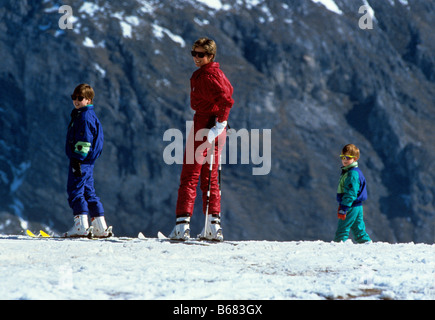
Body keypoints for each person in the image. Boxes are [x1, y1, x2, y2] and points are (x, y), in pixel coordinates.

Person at [169, 38, 234, 241]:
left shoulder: (207, 75)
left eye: (201, 54)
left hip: (205, 124)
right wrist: (222, 124)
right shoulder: (218, 73)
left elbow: (226, 99)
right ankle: (213, 227)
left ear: (210, 56)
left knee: (190, 174)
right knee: (211, 176)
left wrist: (220, 123)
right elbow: (229, 93)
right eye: (194, 54)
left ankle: (182, 226)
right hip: (215, 126)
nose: (196, 58)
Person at [64, 84, 112, 238]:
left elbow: (85, 141)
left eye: (80, 98)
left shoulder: (84, 117)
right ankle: (100, 227)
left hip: (81, 161)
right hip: (88, 162)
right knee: (88, 192)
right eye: (74, 98)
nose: (76, 101)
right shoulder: (86, 115)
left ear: (89, 100)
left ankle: (81, 226)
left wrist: (77, 160)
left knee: (75, 190)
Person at [334, 144, 371, 243]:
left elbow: (351, 193)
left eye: (348, 157)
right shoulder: (352, 171)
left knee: (342, 229)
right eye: (342, 157)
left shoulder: (352, 174)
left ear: (355, 158)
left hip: (351, 206)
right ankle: (367, 245)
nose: (344, 160)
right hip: (357, 206)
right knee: (358, 230)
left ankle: (337, 248)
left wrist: (344, 207)